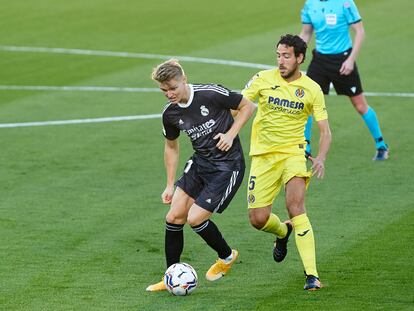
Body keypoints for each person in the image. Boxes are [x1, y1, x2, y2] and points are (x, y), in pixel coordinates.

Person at [146, 59, 256, 292]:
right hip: (200, 163)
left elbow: (248, 106)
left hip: (228, 166)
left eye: (173, 88)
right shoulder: (171, 114)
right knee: (174, 217)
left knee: (195, 218)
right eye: (163, 90)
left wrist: (230, 134)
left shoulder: (210, 93)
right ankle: (171, 276)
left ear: (184, 79)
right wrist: (169, 184)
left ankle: (226, 257)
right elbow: (171, 147)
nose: (169, 94)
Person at [241, 34, 331, 290]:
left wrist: (321, 157)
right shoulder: (262, 78)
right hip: (263, 157)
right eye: (278, 55)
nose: (281, 61)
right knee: (258, 219)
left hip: (293, 153)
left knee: (296, 206)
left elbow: (325, 131)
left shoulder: (312, 89)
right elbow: (240, 105)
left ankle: (312, 275)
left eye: (286, 56)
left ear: (300, 58)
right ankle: (282, 232)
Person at [300, 0, 389, 161]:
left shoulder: (345, 3)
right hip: (319, 60)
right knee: (307, 103)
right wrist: (297, 54)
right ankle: (305, 147)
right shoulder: (310, 4)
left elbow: (360, 31)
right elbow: (306, 32)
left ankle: (381, 145)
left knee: (360, 106)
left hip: (343, 60)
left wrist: (350, 60)